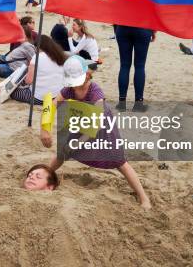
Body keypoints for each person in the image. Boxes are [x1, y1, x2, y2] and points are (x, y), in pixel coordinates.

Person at [34, 56, 151, 209]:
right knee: (62, 152)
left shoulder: (95, 92)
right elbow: (52, 104)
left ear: (88, 75)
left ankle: (144, 198)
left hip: (102, 125)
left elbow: (96, 124)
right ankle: (45, 175)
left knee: (120, 161)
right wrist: (45, 129)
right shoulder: (70, 89)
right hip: (83, 120)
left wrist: (78, 143)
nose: (74, 84)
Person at [10, 35, 66, 104]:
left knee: (12, 92)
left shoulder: (37, 57)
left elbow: (29, 81)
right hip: (57, 96)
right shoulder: (60, 56)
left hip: (39, 98)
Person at [114, 24, 155, 112]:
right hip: (143, 27)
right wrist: (153, 30)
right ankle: (138, 104)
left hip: (122, 27)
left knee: (124, 65)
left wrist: (116, 29)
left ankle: (121, 103)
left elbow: (114, 12)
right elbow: (154, 12)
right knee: (140, 66)